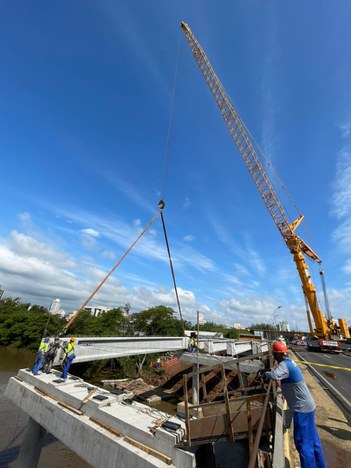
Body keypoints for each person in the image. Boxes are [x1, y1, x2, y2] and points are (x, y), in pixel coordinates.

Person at [262, 341, 326, 468]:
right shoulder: (289, 362)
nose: (274, 357)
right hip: (308, 407)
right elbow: (279, 371)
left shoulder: (284, 365)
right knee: (313, 441)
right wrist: (269, 369)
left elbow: (275, 375)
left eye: (274, 355)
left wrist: (265, 373)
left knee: (303, 443)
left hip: (301, 409)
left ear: (277, 355)